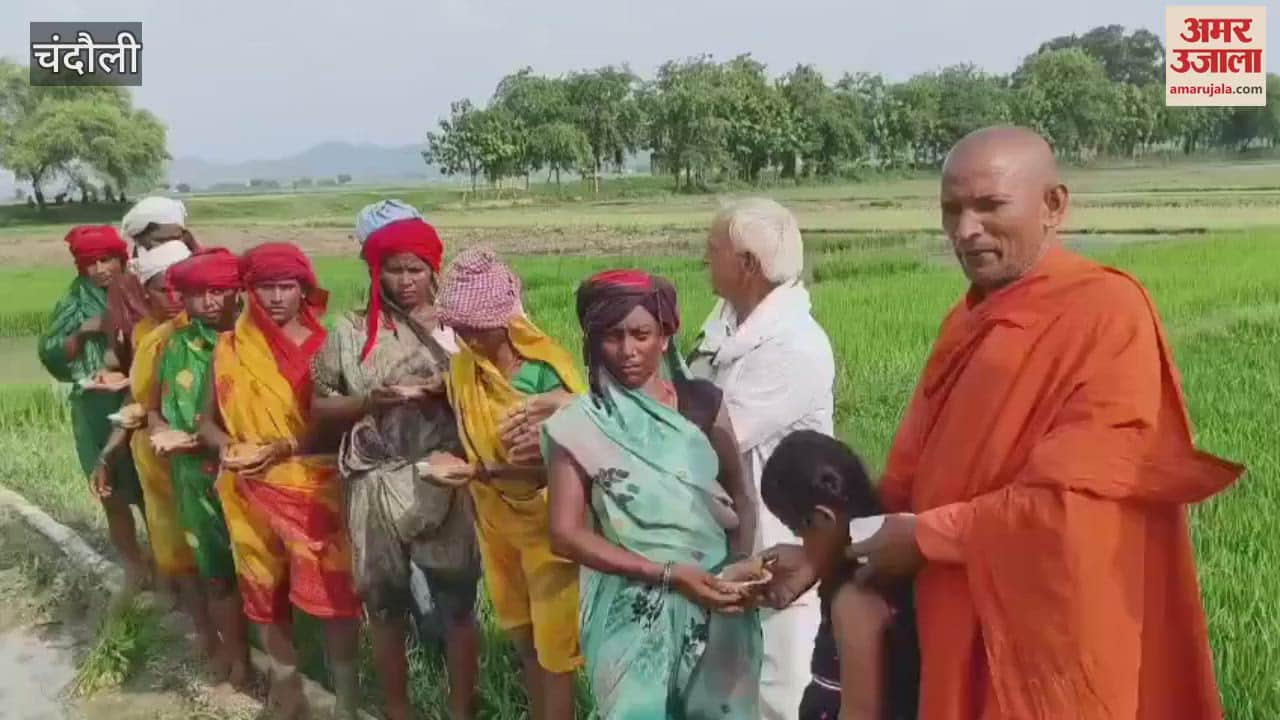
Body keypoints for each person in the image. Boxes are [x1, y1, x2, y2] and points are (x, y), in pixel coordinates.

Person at [848, 126, 1244, 720]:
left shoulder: (1106, 313)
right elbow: (910, 469)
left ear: (1054, 205)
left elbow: (1072, 504)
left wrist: (927, 536)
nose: (965, 230)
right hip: (953, 619)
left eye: (989, 206)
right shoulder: (967, 319)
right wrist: (827, 546)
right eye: (951, 210)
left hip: (1049, 639)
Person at [543, 269, 761, 719]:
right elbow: (564, 534)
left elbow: (741, 494)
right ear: (591, 341)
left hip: (717, 598)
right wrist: (668, 573)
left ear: (665, 335)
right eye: (611, 336)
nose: (627, 350)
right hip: (631, 608)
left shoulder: (703, 403)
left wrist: (737, 566)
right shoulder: (582, 424)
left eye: (641, 334)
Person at [311, 200, 479, 720]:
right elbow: (318, 403)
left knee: (456, 605)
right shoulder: (351, 331)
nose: (406, 281)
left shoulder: (461, 328)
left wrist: (446, 388)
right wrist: (368, 402)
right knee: (383, 605)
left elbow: (498, 390)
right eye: (394, 270)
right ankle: (397, 709)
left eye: (416, 269)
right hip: (375, 481)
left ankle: (462, 710)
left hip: (444, 476)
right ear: (375, 271)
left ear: (435, 270)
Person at [196, 243, 362, 719]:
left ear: (303, 290)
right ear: (249, 291)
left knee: (336, 598)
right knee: (262, 593)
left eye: (285, 287)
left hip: (315, 492)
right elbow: (206, 422)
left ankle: (347, 699)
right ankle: (286, 688)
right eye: (264, 287)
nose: (274, 298)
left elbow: (341, 425)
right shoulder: (229, 348)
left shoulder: (327, 346)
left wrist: (283, 448)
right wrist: (225, 446)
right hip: (247, 488)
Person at [687, 197, 834, 719]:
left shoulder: (793, 346)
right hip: (728, 537)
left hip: (781, 548)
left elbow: (708, 438)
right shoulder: (725, 325)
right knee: (727, 693)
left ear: (747, 264)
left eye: (714, 249)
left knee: (780, 692)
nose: (705, 257)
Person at [433, 248, 584, 720]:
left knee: (557, 654)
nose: (464, 336)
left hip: (549, 528)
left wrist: (480, 473)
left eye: (474, 327)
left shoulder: (546, 374)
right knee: (524, 642)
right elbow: (473, 437)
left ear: (503, 320)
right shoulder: (462, 369)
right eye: (457, 327)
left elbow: (575, 465)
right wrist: (467, 467)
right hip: (495, 524)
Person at [760, 430, 918, 720]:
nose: (803, 546)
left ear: (823, 519)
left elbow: (859, 713)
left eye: (799, 533)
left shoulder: (853, 599)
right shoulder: (884, 563)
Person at [149, 248, 252, 687]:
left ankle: (283, 662)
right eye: (197, 294)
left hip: (249, 474)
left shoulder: (254, 344)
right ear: (183, 298)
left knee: (260, 573)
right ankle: (236, 658)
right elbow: (153, 408)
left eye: (218, 292)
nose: (209, 302)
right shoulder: (174, 345)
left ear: (237, 293)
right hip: (193, 476)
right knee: (215, 573)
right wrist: (158, 432)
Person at [95, 240, 210, 635]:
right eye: (164, 289)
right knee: (176, 551)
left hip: (204, 457)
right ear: (146, 292)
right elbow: (138, 401)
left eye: (183, 290)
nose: (175, 298)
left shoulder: (210, 336)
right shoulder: (149, 335)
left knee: (214, 551)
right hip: (158, 460)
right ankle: (204, 636)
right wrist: (109, 454)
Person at [38, 225, 149, 590]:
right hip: (95, 407)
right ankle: (134, 565)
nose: (101, 269)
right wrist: (86, 330)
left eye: (108, 259)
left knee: (151, 488)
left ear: (123, 258)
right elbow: (51, 352)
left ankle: (167, 565)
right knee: (112, 492)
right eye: (91, 262)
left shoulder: (144, 289)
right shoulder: (74, 301)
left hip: (145, 400)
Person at [104, 196, 199, 371]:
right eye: (161, 241)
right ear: (142, 240)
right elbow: (119, 332)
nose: (169, 245)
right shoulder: (126, 281)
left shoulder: (204, 266)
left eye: (176, 238)